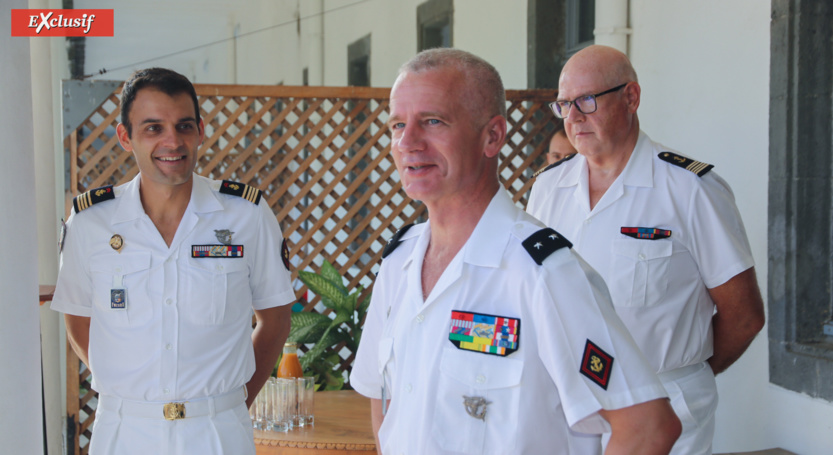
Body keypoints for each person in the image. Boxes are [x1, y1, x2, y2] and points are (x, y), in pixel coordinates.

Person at [350, 48, 681, 455]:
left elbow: (647, 427)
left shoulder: (543, 273)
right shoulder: (399, 263)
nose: (407, 142)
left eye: (433, 121)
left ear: (493, 136)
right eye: (397, 124)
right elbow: (385, 405)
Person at [527, 45, 765, 455]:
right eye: (564, 104)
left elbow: (744, 316)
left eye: (586, 100)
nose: (573, 117)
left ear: (631, 97)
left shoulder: (690, 189)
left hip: (667, 407)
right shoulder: (548, 188)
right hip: (571, 408)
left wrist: (688, 375)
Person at [51, 68, 295, 455]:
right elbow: (79, 319)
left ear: (200, 131)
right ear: (125, 138)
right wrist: (128, 382)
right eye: (153, 128)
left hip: (217, 433)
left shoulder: (245, 215)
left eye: (183, 126)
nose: (172, 141)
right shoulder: (89, 223)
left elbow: (276, 317)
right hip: (124, 432)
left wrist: (228, 404)